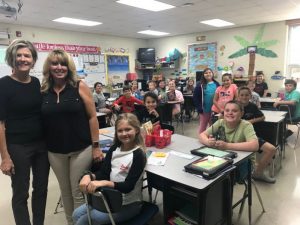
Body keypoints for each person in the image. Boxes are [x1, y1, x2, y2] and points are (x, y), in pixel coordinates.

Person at [41, 49, 103, 225]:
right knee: (65, 191)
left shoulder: (79, 85)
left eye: (63, 64)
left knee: (78, 191)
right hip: (54, 151)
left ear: (69, 67)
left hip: (81, 149)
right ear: (49, 66)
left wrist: (96, 146)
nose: (59, 67)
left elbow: (92, 117)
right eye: (55, 63)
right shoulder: (44, 90)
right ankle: (72, 223)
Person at [0, 39, 50, 225]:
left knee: (41, 188)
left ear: (33, 60)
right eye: (18, 55)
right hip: (17, 146)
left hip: (41, 144)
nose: (23, 59)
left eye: (27, 55)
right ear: (12, 59)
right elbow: (0, 123)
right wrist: (5, 157)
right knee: (21, 192)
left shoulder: (36, 82)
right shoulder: (3, 85)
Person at [72, 113, 147, 225]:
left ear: (136, 130)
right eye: (120, 131)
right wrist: (89, 176)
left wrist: (105, 183)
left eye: (128, 129)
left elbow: (128, 186)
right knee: (76, 214)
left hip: (128, 204)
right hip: (109, 198)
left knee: (83, 221)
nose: (124, 133)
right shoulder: (114, 149)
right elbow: (104, 172)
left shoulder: (138, 155)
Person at [238, 86, 276, 183]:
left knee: (271, 149)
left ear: (250, 96)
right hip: (236, 135)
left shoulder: (252, 106)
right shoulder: (234, 105)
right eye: (242, 95)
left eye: (246, 95)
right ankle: (243, 173)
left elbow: (262, 117)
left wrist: (251, 121)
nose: (244, 97)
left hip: (250, 135)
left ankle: (258, 173)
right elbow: (222, 116)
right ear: (238, 96)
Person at [193, 68, 220, 132]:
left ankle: (210, 139)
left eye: (209, 72)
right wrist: (199, 108)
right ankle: (201, 138)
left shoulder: (217, 84)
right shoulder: (200, 85)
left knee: (213, 126)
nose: (208, 74)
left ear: (212, 74)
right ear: (203, 75)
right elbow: (195, 97)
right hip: (204, 110)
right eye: (206, 73)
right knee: (203, 126)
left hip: (215, 109)